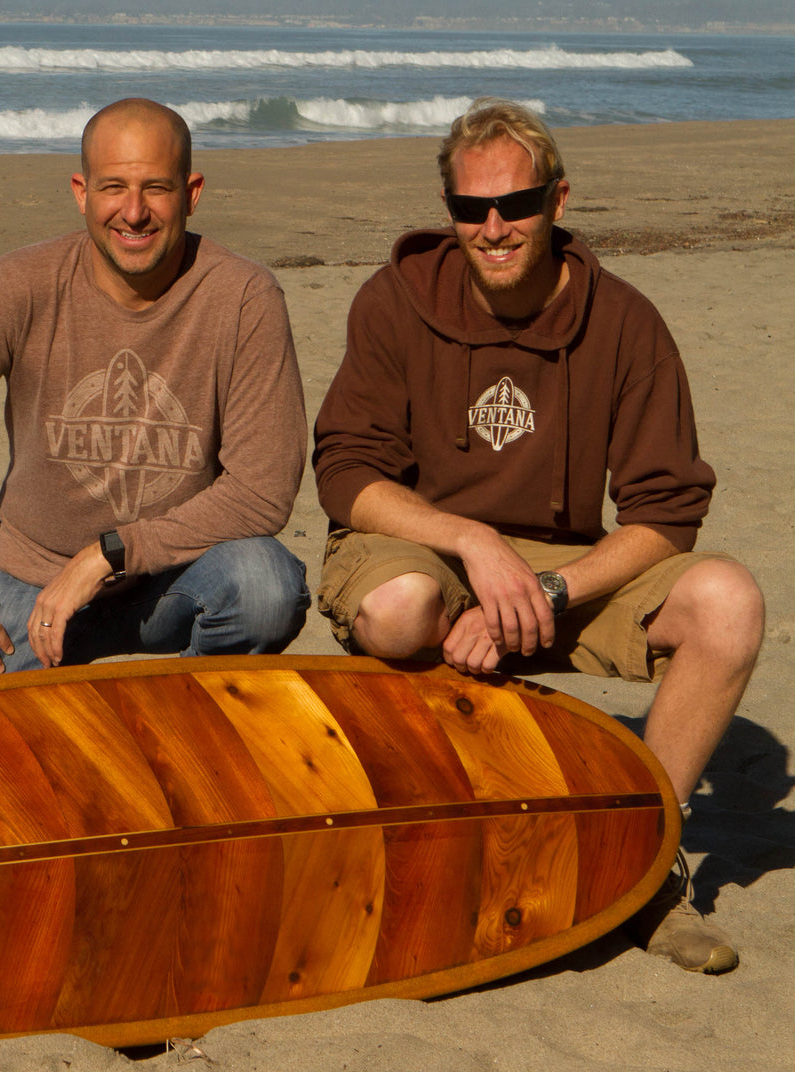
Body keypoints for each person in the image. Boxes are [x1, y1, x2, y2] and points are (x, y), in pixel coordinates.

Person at [311, 98, 764, 973]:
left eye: (516, 205)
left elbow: (667, 511)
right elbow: (345, 473)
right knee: (399, 608)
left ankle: (646, 866)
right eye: (471, 208)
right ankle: (426, 821)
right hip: (424, 544)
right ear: (448, 210)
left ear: (557, 200)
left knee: (729, 603)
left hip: (559, 568)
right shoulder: (393, 301)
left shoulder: (625, 321)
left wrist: (550, 591)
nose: (494, 228)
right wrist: (472, 543)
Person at [0, 98, 309, 685]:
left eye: (156, 189)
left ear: (191, 193)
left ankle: (192, 706)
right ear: (81, 192)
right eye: (113, 187)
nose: (134, 212)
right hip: (35, 577)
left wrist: (110, 553)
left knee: (267, 586)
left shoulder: (243, 296)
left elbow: (262, 491)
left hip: (180, 576)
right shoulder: (23, 284)